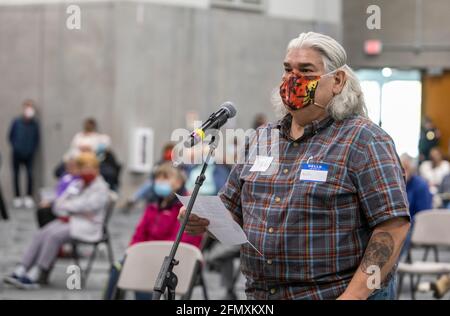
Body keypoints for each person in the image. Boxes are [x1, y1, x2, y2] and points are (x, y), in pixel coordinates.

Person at [180, 32, 410, 300]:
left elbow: (392, 226)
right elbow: (233, 211)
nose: (293, 79)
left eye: (306, 71)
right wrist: (204, 221)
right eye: (288, 69)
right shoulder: (261, 139)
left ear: (337, 81)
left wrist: (353, 297)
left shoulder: (364, 140)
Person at [3, 152, 109, 289]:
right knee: (42, 233)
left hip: (89, 226)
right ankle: (22, 269)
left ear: (96, 168)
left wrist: (71, 207)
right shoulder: (79, 184)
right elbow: (60, 204)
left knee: (54, 236)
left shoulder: (101, 188)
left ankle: (37, 273)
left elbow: (86, 205)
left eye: (88, 167)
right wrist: (72, 208)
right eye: (82, 167)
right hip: (74, 220)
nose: (85, 171)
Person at [103, 163, 203, 299]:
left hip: (175, 262)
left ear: (179, 182)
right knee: (118, 267)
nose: (160, 182)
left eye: (166, 177)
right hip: (147, 258)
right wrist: (134, 254)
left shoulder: (186, 208)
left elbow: (183, 242)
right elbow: (138, 235)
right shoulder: (153, 207)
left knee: (145, 273)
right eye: (158, 178)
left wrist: (149, 255)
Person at [8, 99, 40, 209]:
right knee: (16, 175)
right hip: (17, 153)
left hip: (29, 154)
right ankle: (17, 197)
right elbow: (10, 136)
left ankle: (28, 197)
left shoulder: (34, 124)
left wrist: (31, 149)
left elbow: (37, 139)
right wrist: (16, 147)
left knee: (30, 175)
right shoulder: (16, 121)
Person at [399, 154, 432, 256]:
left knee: (397, 235)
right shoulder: (397, 184)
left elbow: (424, 214)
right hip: (401, 224)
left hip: (415, 226)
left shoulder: (420, 185)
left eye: (407, 168)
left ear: (412, 168)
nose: (404, 171)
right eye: (402, 167)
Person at [35, 155, 81, 228]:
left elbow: (69, 196)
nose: (69, 168)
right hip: (58, 202)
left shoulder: (79, 180)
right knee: (41, 210)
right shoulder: (66, 177)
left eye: (72, 166)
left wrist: (52, 203)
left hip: (66, 207)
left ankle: (48, 232)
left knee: (44, 212)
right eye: (68, 166)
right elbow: (58, 192)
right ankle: (44, 233)